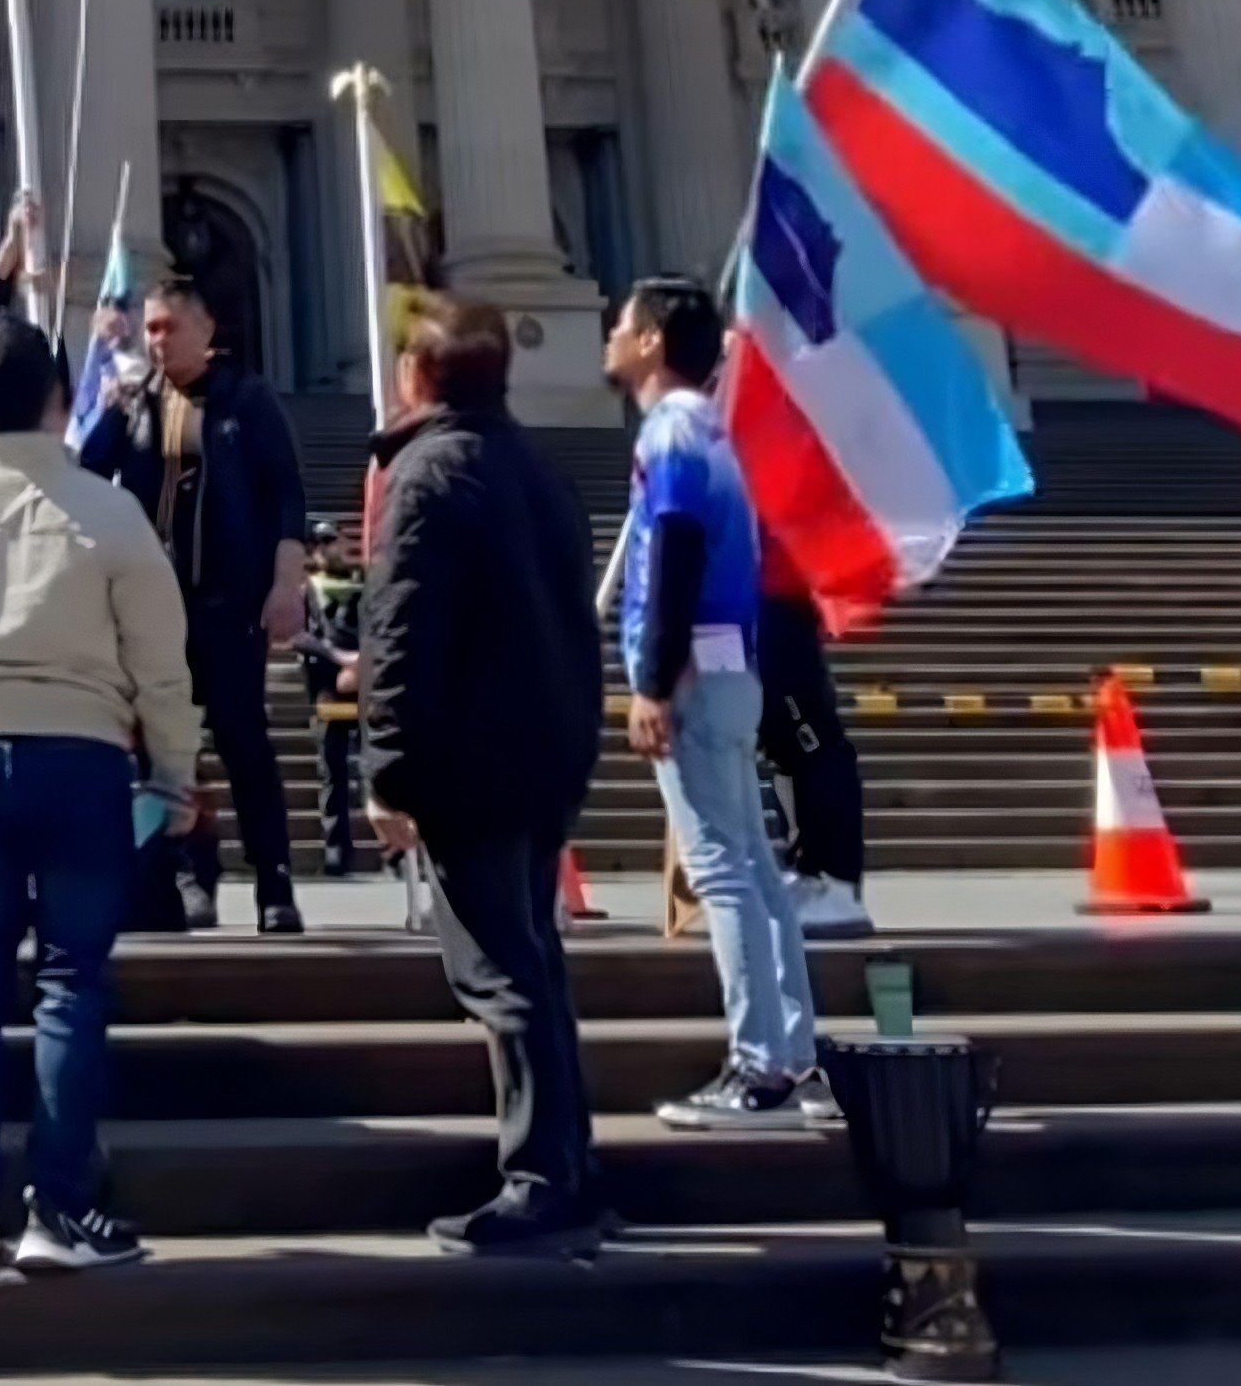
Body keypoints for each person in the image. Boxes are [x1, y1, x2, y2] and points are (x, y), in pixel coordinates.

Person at [0, 315, 199, 1277]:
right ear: (62, 400)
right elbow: (161, 664)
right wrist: (179, 768)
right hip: (85, 756)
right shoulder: (111, 513)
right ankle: (59, 1206)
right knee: (72, 981)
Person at [363, 296, 611, 1255]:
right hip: (543, 748)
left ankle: (540, 1180)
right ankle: (572, 1169)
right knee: (536, 963)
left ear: (419, 380)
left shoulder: (426, 478)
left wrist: (386, 770)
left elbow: (402, 635)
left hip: (471, 756)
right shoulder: (538, 469)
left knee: (501, 972)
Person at [606, 277, 828, 1132]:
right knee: (758, 868)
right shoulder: (719, 430)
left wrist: (653, 682)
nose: (611, 335)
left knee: (723, 873)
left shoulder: (670, 434)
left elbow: (676, 553)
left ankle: (758, 1065)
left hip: (693, 671)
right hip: (735, 665)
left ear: (655, 340)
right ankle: (794, 1051)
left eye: (623, 325)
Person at [75, 277, 313, 932]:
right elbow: (86, 475)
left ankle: (274, 883)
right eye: (149, 328)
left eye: (169, 327)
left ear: (207, 332)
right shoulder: (136, 402)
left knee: (244, 744)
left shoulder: (248, 400)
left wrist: (285, 583)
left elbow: (286, 496)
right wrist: (106, 404)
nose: (157, 340)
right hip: (153, 611)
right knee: (161, 753)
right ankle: (182, 879)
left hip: (227, 605)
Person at [755, 535, 871, 937]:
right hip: (764, 602)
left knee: (814, 745)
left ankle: (838, 883)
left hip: (779, 604)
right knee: (788, 747)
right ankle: (811, 872)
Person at [298, 525, 367, 878]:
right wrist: (340, 657)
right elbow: (299, 635)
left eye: (330, 539)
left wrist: (362, 661)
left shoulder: (363, 583)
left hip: (368, 685)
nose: (325, 548)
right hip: (328, 688)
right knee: (333, 770)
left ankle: (397, 852)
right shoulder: (305, 590)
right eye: (318, 543)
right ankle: (337, 849)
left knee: (377, 767)